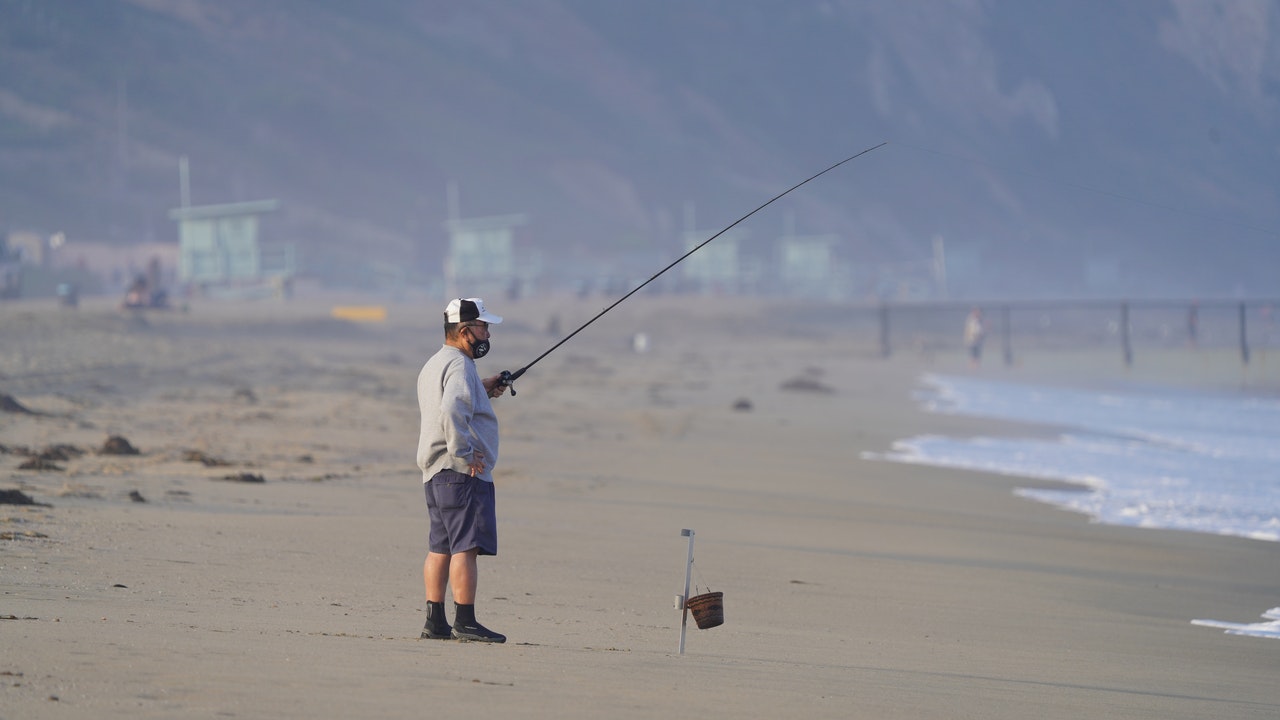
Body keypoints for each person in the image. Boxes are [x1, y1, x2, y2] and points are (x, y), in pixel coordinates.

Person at [417, 297, 510, 643]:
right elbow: (453, 409)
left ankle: (435, 620)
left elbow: (450, 399)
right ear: (465, 331)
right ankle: (465, 621)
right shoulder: (460, 367)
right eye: (484, 327)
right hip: (460, 472)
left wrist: (482, 387)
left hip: (434, 472)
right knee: (465, 547)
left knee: (440, 546)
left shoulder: (435, 364)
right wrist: (465, 453)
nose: (488, 333)